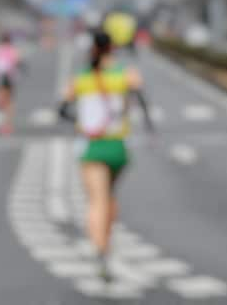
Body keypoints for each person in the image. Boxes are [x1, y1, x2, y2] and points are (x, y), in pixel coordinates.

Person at [58, 31, 153, 281]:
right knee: (110, 196)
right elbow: (141, 101)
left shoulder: (81, 78)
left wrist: (81, 121)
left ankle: (100, 248)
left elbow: (62, 110)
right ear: (112, 48)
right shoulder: (126, 74)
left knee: (96, 200)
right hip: (119, 146)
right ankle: (107, 241)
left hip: (92, 146)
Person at [0, 33, 21, 135]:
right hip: (5, 78)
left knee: (4, 101)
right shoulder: (5, 50)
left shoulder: (3, 50)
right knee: (5, 102)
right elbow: (17, 61)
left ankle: (7, 125)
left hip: (6, 78)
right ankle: (7, 123)